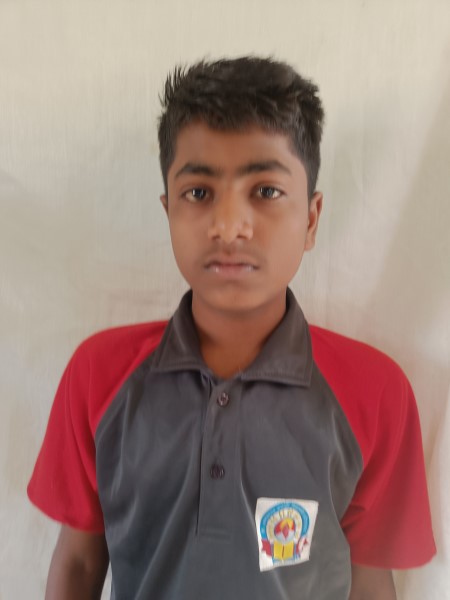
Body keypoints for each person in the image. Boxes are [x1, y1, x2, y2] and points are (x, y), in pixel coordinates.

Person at [28, 56, 436, 600]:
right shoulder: (98, 376)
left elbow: (370, 585)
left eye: (265, 191)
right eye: (198, 192)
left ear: (311, 219)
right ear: (168, 211)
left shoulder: (375, 393)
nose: (228, 226)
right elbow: (79, 564)